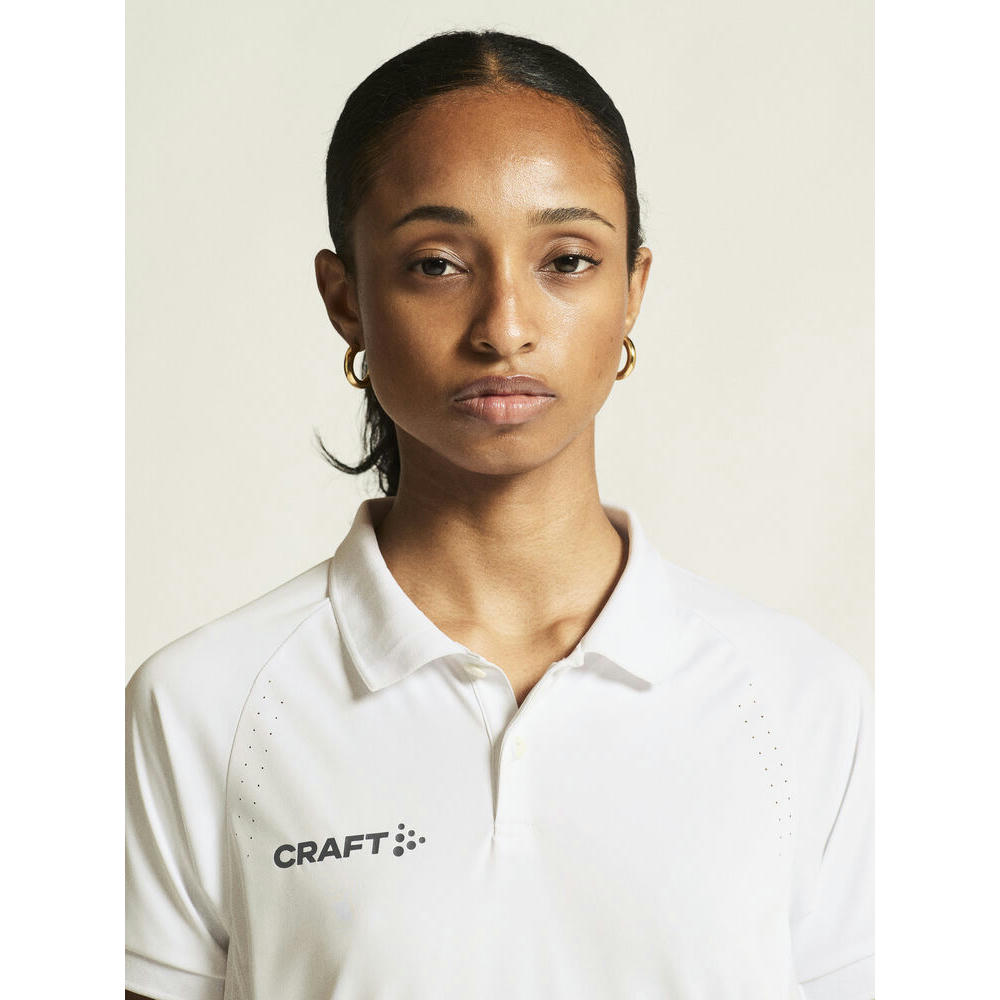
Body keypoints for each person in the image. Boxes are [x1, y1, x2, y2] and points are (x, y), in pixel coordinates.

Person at [125, 29, 874, 1000]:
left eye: (567, 259)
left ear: (632, 289)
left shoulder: (800, 703)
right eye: (437, 264)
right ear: (345, 298)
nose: (505, 327)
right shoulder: (202, 707)